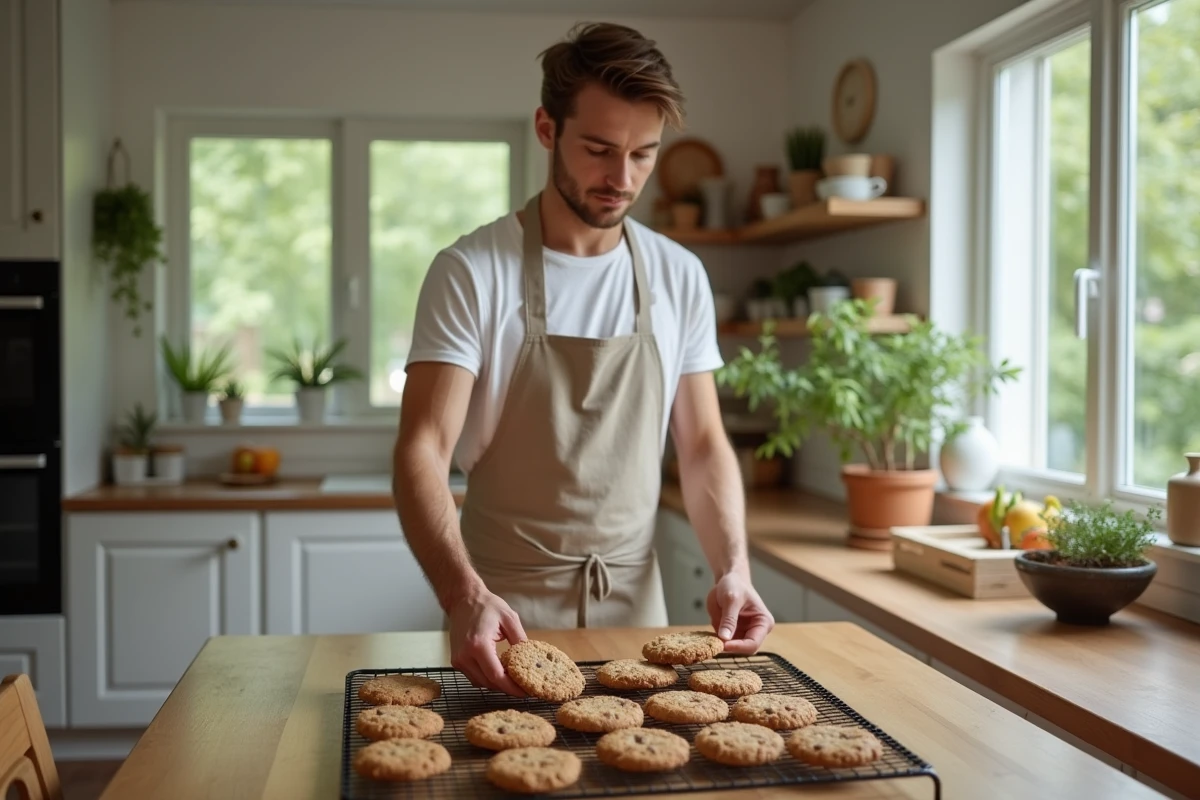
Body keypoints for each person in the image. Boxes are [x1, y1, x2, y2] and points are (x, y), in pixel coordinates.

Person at [393, 21, 773, 697]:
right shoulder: (472, 271)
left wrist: (734, 569)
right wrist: (462, 594)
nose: (621, 179)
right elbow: (422, 448)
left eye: (643, 154)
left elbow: (703, 445)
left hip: (638, 612)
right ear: (547, 129)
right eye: (599, 150)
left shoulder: (679, 275)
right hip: (500, 617)